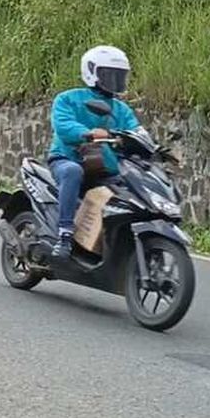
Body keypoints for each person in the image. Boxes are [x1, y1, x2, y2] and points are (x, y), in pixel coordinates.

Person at [46, 45, 141, 260]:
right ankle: (64, 234)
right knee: (72, 172)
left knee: (132, 187)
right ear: (92, 72)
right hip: (66, 158)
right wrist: (88, 133)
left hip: (105, 168)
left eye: (119, 76)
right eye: (109, 75)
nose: (115, 81)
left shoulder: (121, 108)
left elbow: (135, 130)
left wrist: (149, 145)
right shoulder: (68, 98)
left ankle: (116, 242)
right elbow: (63, 125)